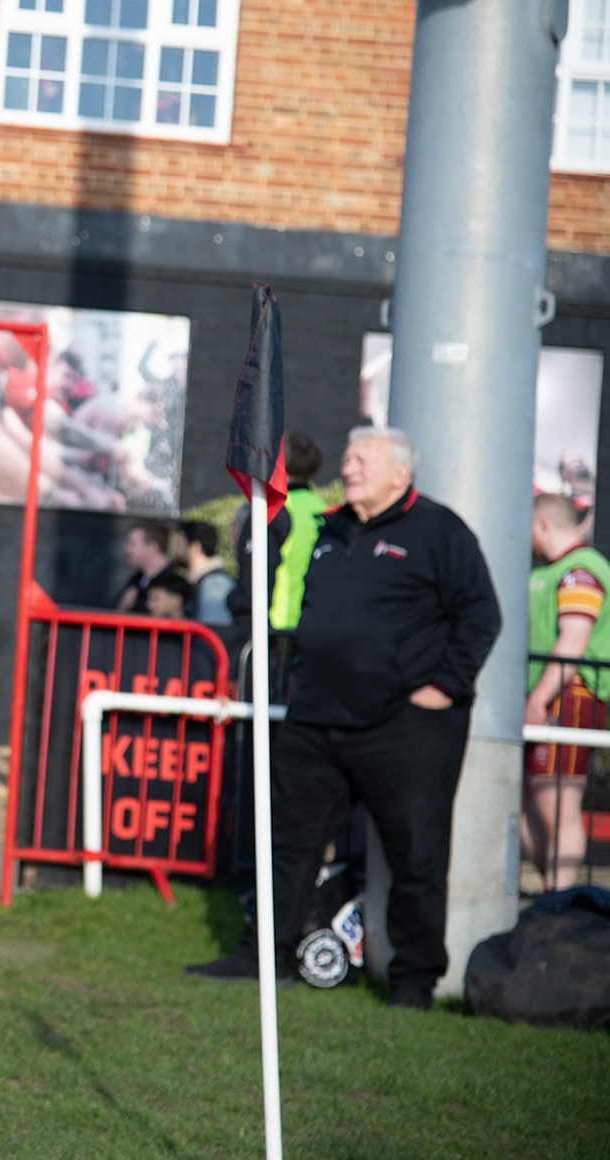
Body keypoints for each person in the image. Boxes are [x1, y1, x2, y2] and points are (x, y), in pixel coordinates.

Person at [187, 427, 501, 1008]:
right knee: (286, 842)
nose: (348, 466)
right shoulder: (329, 528)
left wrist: (446, 686)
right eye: (349, 456)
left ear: (399, 474)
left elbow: (481, 615)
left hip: (407, 727)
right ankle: (265, 956)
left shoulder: (439, 530)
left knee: (416, 852)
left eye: (361, 459)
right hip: (317, 720)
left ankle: (413, 983)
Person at [523, 491, 609, 891]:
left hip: (567, 697)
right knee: (526, 808)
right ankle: (554, 899)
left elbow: (574, 640)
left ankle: (560, 905)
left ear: (543, 524)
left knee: (558, 805)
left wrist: (539, 697)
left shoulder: (581, 569)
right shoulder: (545, 570)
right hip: (539, 699)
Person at [229, 430, 326, 629]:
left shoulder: (272, 509)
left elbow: (253, 580)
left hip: (274, 627)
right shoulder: (323, 509)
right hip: (310, 624)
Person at [176, 519, 235, 627]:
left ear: (195, 547)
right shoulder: (202, 583)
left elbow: (214, 630)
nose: (174, 549)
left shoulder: (215, 585)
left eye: (179, 543)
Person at [113, 520, 175, 613]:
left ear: (152, 547)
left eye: (132, 544)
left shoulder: (173, 583)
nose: (127, 549)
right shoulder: (136, 580)